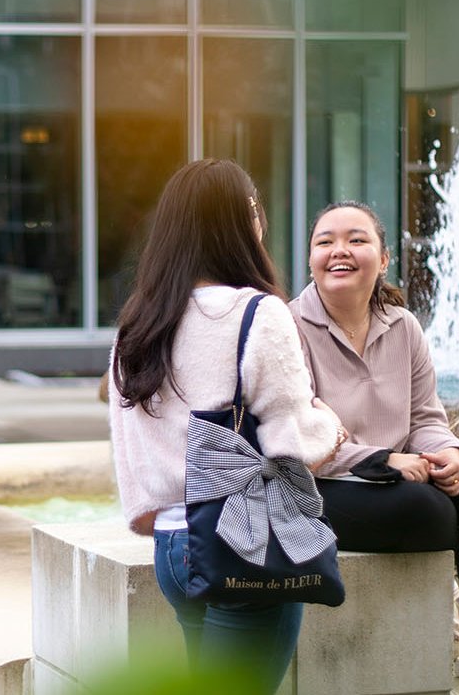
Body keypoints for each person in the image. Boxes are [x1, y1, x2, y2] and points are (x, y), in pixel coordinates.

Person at [107, 159, 347, 694]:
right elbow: (294, 446)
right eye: (254, 208)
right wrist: (331, 426)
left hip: (172, 545)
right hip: (242, 544)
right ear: (241, 225)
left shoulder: (139, 322)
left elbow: (129, 447)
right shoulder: (257, 313)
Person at [289, 201, 459, 688]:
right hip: (316, 485)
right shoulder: (287, 327)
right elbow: (296, 430)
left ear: (383, 259)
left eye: (356, 240)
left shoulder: (403, 328)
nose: (339, 251)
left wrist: (447, 452)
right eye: (325, 242)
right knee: (424, 511)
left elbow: (427, 416)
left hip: (401, 480)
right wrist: (383, 460)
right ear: (311, 260)